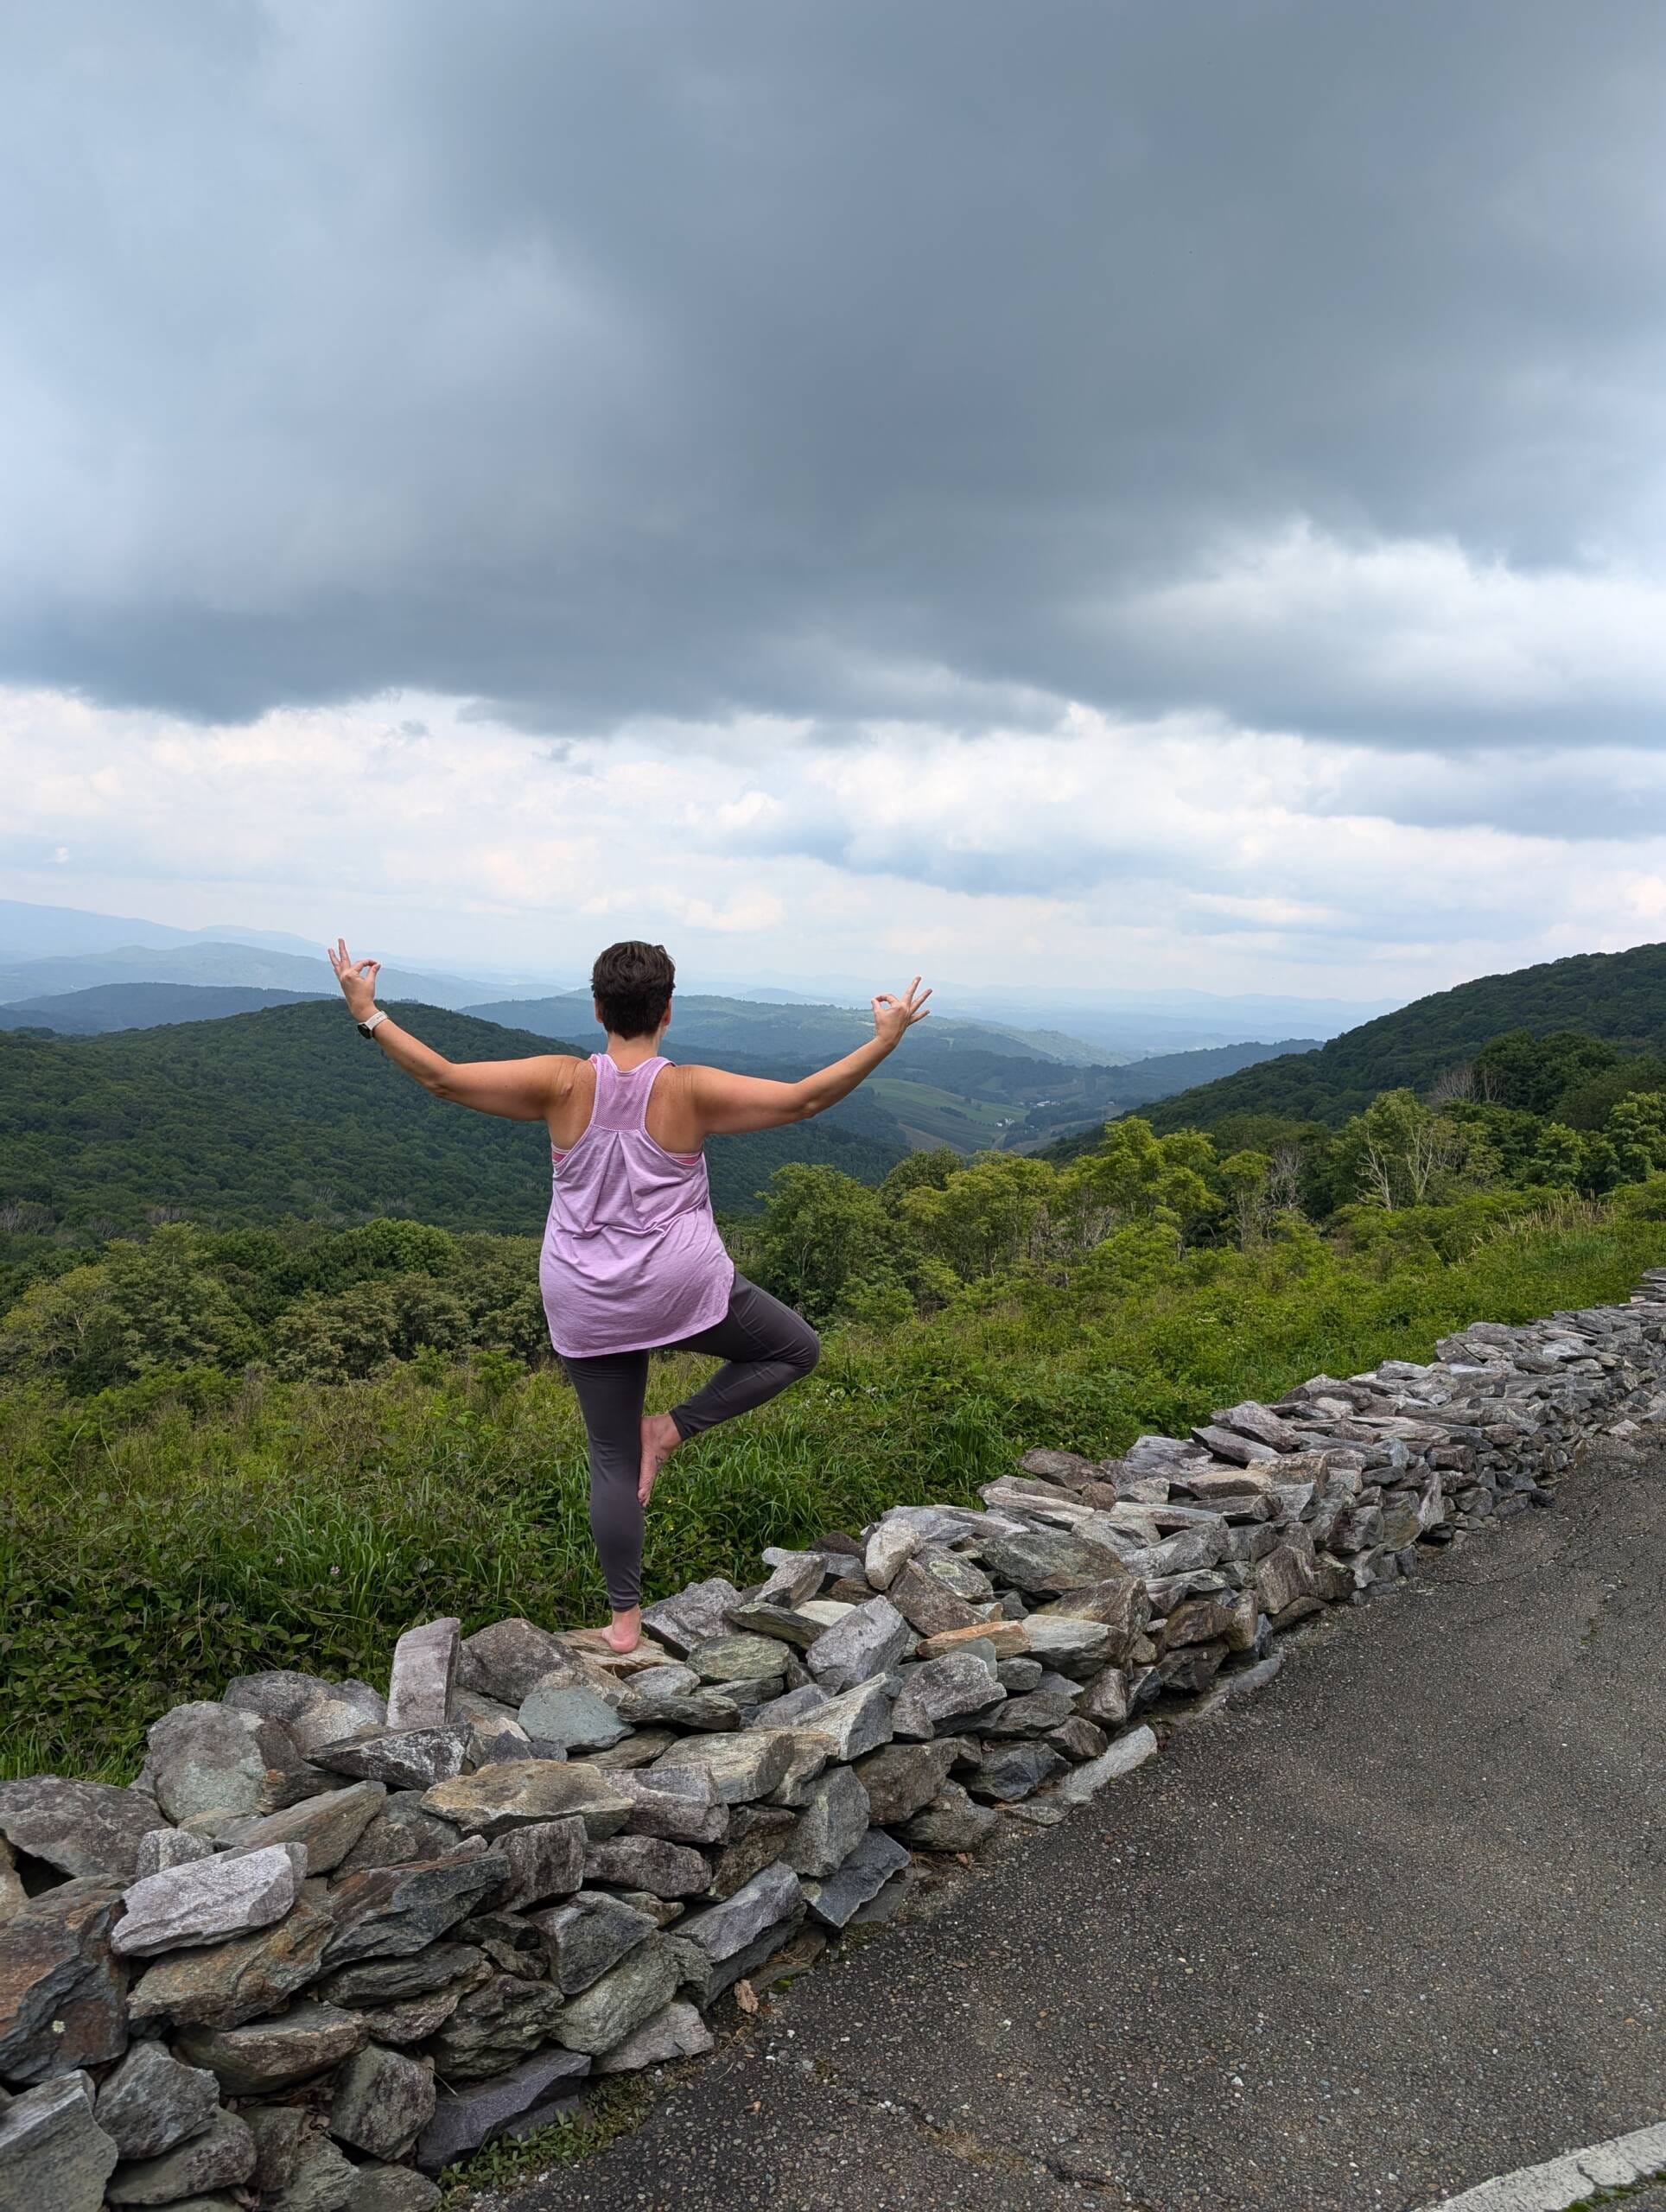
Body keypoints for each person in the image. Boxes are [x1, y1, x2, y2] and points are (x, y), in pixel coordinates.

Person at [327, 935, 932, 1650]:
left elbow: (445, 1078)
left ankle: (622, 1623)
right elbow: (805, 1100)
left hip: (586, 1296)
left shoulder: (560, 1081)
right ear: (667, 1012)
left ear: (597, 1008)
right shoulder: (687, 1088)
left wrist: (368, 1013)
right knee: (795, 1348)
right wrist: (885, 1040)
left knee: (611, 1461)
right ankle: (670, 1430)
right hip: (681, 1287)